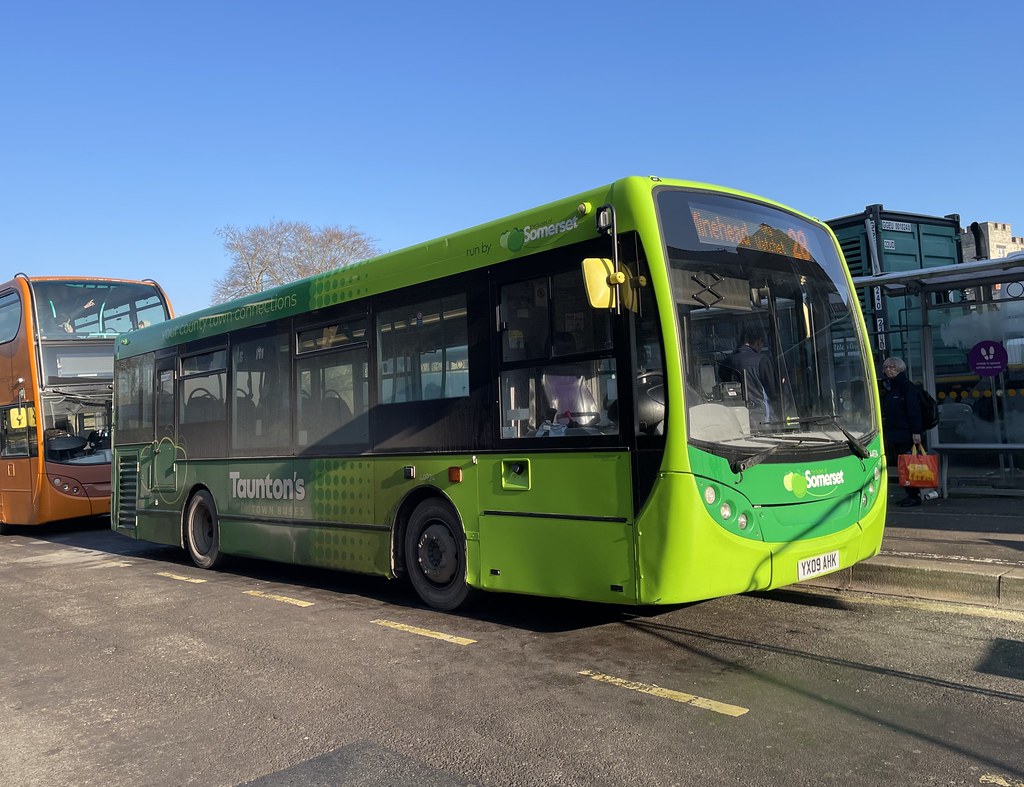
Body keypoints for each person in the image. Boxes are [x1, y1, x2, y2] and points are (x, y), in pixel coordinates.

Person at [882, 356, 924, 507]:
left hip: (906, 433)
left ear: (900, 369)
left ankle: (914, 495)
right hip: (896, 433)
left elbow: (913, 410)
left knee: (909, 464)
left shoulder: (906, 387)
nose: (888, 370)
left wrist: (916, 432)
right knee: (904, 465)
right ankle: (910, 493)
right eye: (886, 367)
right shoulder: (890, 387)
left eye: (892, 367)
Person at [721, 325, 780, 427]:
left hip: (734, 417)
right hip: (761, 418)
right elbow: (773, 392)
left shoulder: (726, 362)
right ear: (759, 341)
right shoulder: (762, 360)